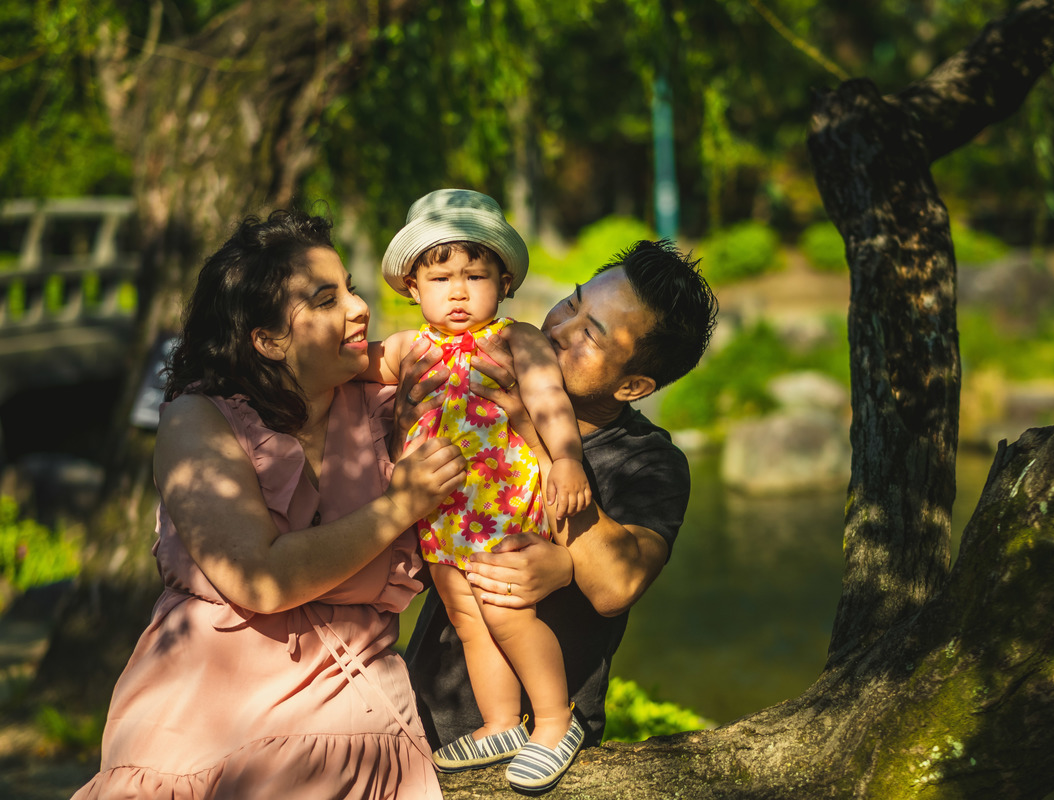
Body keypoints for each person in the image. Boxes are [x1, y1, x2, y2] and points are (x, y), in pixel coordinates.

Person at [73, 209, 466, 800]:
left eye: (351, 289)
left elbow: (496, 368)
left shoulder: (387, 405)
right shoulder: (198, 421)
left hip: (355, 714)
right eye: (327, 300)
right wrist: (397, 507)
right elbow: (260, 579)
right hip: (209, 715)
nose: (360, 308)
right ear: (268, 340)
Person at [400, 236, 718, 758]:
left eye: (589, 334)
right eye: (572, 302)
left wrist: (536, 441)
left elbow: (615, 584)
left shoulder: (648, 460)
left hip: (547, 747)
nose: (559, 330)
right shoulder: (475, 394)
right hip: (423, 719)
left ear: (633, 387)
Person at [363, 189, 590, 792]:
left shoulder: (516, 339)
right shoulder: (408, 347)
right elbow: (346, 363)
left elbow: (549, 401)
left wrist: (566, 460)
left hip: (501, 501)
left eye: (476, 276)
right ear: (413, 288)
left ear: (505, 282)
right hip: (438, 510)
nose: (458, 292)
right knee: (467, 619)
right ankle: (501, 722)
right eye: (440, 279)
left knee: (506, 612)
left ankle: (555, 720)